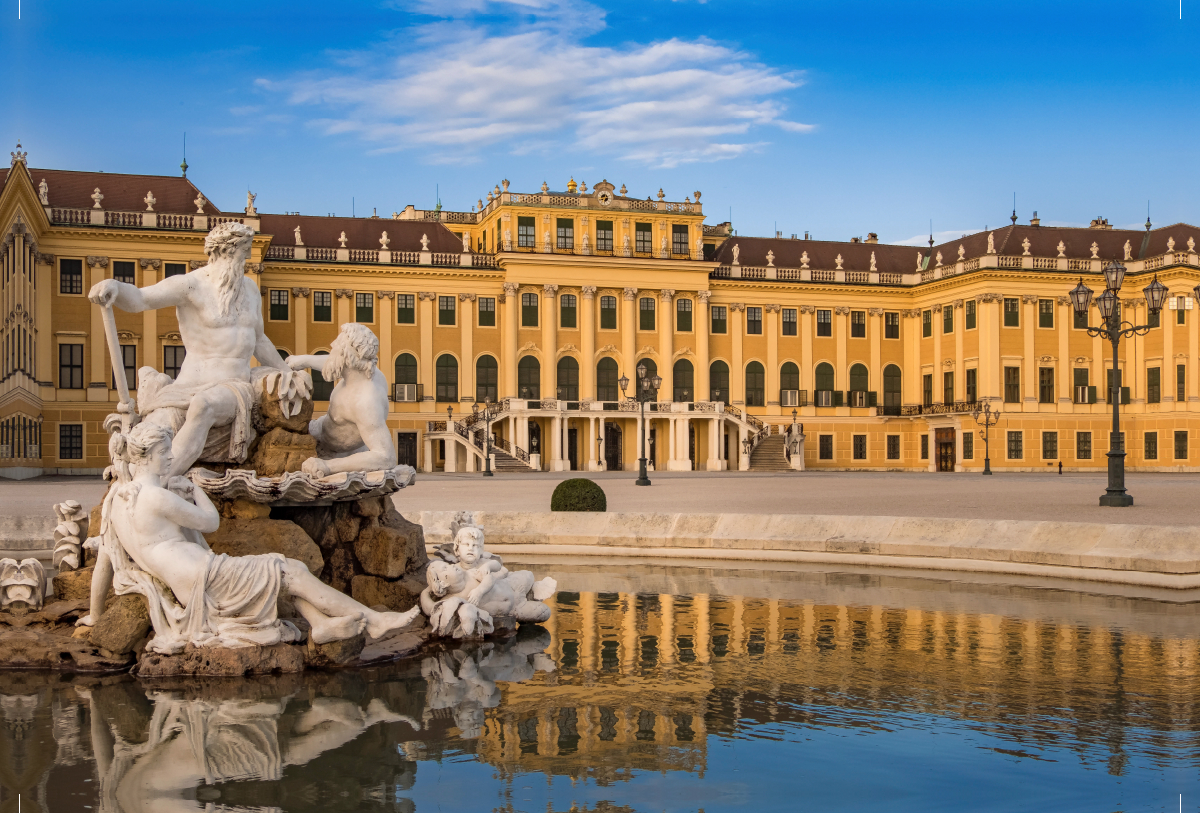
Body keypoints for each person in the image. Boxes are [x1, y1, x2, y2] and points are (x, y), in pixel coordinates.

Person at [77, 421, 417, 652]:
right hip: (205, 579)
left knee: (284, 572)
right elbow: (209, 523)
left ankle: (321, 625)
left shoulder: (116, 502)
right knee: (290, 570)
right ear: (149, 455)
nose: (170, 456)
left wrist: (94, 616)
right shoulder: (156, 497)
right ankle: (374, 620)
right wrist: (196, 489)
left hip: (197, 578)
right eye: (166, 451)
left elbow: (104, 565)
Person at [88, 222, 308, 476]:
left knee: (203, 406)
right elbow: (141, 299)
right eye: (244, 250)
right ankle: (136, 483)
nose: (247, 257)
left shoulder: (249, 289)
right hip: (185, 386)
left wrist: (285, 371)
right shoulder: (190, 285)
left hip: (231, 387)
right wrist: (114, 286)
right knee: (159, 425)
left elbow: (258, 339)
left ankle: (155, 486)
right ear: (226, 250)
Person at [285, 323, 397, 476]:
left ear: (347, 355)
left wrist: (328, 466)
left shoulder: (365, 402)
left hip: (331, 450)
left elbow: (386, 457)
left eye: (336, 346)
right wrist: (303, 361)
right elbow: (333, 362)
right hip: (320, 429)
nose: (332, 346)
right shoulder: (371, 372)